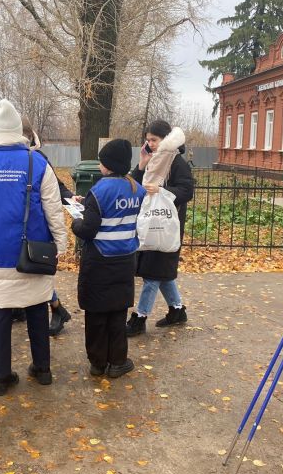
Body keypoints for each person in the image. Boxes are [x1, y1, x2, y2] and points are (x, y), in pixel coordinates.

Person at [0, 99, 67, 396]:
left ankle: (0, 377)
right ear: (18, 130)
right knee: (37, 309)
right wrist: (59, 245)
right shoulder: (38, 164)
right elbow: (53, 210)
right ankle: (43, 369)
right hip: (33, 254)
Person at [72, 139, 146, 377]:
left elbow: (88, 230)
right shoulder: (136, 188)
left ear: (106, 165)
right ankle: (118, 362)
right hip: (125, 260)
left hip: (99, 262)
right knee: (117, 312)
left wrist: (76, 221)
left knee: (95, 313)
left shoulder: (99, 190)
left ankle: (97, 363)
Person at [126, 120, 194, 336]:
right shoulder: (154, 160)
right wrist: (141, 165)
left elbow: (186, 191)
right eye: (148, 141)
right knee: (161, 272)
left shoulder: (176, 162)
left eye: (154, 140)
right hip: (150, 224)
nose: (151, 144)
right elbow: (133, 186)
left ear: (165, 139)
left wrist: (161, 190)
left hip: (166, 227)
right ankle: (177, 310)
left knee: (152, 274)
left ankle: (139, 317)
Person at [18, 117, 75, 335]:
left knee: (35, 273)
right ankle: (54, 309)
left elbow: (54, 187)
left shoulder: (36, 159)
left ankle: (57, 309)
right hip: (24, 226)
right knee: (28, 272)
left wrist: (70, 197)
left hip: (35, 228)